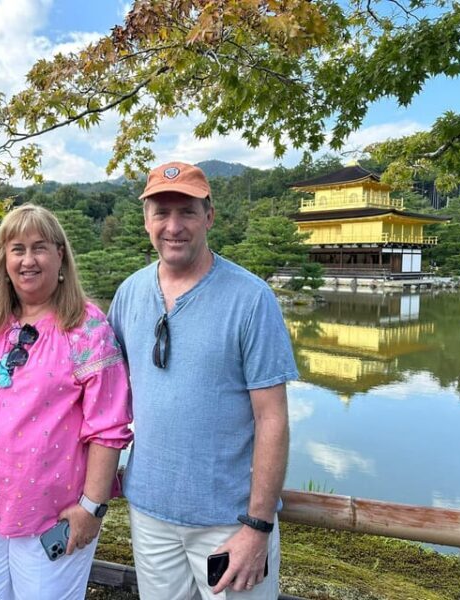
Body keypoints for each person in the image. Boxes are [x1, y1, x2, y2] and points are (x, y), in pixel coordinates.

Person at [108, 161, 298, 599]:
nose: (173, 226)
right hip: (150, 513)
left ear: (209, 216)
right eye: (161, 212)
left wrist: (257, 526)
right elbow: (107, 394)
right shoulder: (130, 293)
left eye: (187, 212)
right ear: (146, 221)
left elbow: (273, 420)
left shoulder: (251, 299)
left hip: (230, 521)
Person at [0, 204, 133, 600]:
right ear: (3, 259)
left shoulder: (87, 328)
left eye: (40, 247)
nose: (28, 260)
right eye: (17, 249)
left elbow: (109, 428)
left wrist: (91, 508)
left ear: (60, 255)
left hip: (52, 514)